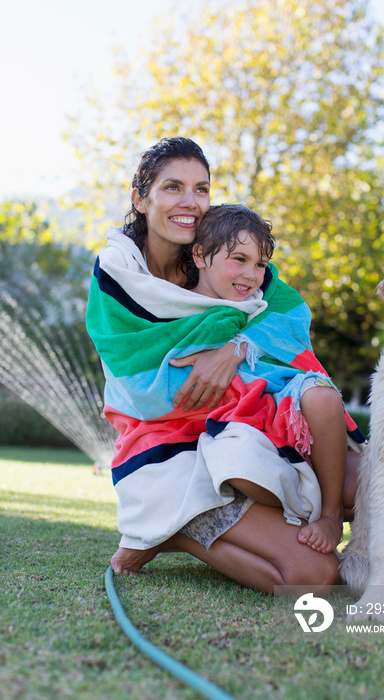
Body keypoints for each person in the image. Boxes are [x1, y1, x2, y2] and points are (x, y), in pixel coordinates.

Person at [86, 137, 365, 592]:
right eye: (173, 187)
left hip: (250, 421)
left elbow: (285, 314)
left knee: (366, 486)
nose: (189, 202)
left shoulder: (225, 253)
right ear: (141, 198)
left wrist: (235, 349)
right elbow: (138, 383)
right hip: (169, 439)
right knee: (314, 576)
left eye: (201, 189)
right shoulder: (120, 274)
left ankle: (266, 506)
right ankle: (174, 527)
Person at [189, 203, 351, 553]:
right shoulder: (178, 306)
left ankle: (332, 516)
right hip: (238, 419)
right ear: (200, 255)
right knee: (239, 463)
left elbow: (293, 317)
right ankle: (297, 516)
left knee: (324, 397)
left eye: (260, 264)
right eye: (239, 260)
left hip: (285, 398)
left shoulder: (267, 300)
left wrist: (242, 344)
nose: (251, 274)